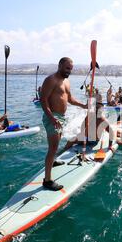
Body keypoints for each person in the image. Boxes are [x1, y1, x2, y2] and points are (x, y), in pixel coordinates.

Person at [40, 57, 87, 191]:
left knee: (56, 144)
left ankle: (53, 162)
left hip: (61, 117)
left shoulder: (66, 81)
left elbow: (70, 99)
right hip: (53, 117)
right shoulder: (51, 80)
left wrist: (83, 105)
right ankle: (47, 181)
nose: (69, 71)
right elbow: (43, 101)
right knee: (53, 148)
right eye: (67, 68)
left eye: (71, 69)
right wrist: (52, 118)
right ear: (60, 65)